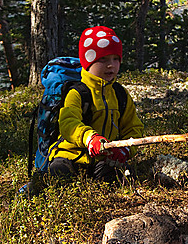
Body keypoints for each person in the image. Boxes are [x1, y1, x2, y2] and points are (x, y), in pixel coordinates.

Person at [46, 26, 144, 182]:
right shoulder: (77, 92)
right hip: (71, 156)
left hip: (104, 160)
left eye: (115, 59)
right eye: (102, 59)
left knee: (124, 176)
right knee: (57, 175)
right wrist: (90, 138)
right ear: (87, 62)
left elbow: (133, 128)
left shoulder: (120, 94)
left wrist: (125, 149)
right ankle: (32, 188)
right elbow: (68, 123)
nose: (110, 65)